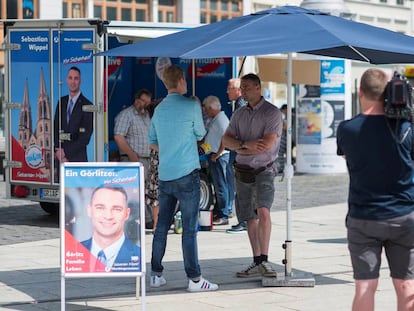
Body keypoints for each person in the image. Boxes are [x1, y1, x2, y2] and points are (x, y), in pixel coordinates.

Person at [336, 68, 414, 311]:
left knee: (365, 287)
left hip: (363, 217)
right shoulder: (407, 129)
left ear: (360, 92)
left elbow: (348, 159)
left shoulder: (347, 129)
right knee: (407, 287)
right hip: (404, 217)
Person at [148, 65, 218, 292]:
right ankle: (195, 279)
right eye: (185, 80)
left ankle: (156, 274)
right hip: (187, 173)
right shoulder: (191, 105)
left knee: (161, 227)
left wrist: (168, 148)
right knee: (189, 229)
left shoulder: (158, 110)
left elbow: (152, 142)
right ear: (179, 81)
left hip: (166, 175)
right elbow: (200, 134)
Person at [223, 73, 283, 278]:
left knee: (263, 211)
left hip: (264, 169)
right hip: (242, 171)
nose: (243, 90)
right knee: (249, 216)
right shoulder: (239, 114)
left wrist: (240, 147)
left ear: (258, 87)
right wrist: (244, 145)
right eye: (242, 86)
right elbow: (226, 140)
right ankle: (257, 260)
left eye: (247, 86)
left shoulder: (272, 113)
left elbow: (265, 145)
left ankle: (265, 259)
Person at [114, 89, 153, 228]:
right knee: (135, 191)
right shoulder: (126, 115)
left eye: (148, 102)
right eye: (144, 101)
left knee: (147, 191)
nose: (146, 105)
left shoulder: (146, 115)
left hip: (147, 159)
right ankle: (140, 220)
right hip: (133, 159)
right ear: (137, 100)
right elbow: (119, 136)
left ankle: (147, 219)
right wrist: (131, 155)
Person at [81, 186, 141, 273]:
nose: (108, 216)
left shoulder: (138, 255)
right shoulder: (74, 253)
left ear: (127, 214)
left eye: (117, 209)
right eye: (100, 208)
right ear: (89, 210)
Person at [53, 66, 93, 168]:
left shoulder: (88, 105)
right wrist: (59, 152)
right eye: (70, 78)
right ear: (67, 80)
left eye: (76, 78)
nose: (73, 82)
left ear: (80, 81)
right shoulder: (61, 101)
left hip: (77, 160)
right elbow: (55, 127)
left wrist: (65, 153)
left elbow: (85, 137)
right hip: (60, 160)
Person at [202, 95, 231, 226]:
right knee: (218, 185)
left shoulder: (221, 120)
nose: (206, 111)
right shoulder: (216, 119)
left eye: (206, 109)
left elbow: (226, 138)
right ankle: (220, 212)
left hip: (219, 157)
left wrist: (217, 154)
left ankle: (223, 215)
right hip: (214, 154)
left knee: (220, 186)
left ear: (211, 107)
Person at [226, 78, 247, 233]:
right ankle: (245, 220)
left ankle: (244, 221)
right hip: (240, 152)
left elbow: (239, 131)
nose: (228, 91)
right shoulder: (240, 105)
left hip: (239, 153)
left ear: (238, 90)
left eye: (230, 88)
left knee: (240, 188)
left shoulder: (240, 107)